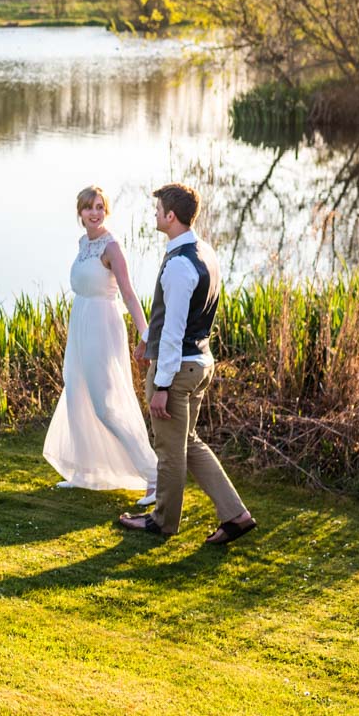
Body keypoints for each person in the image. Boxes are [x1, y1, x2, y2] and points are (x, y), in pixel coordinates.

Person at [119, 183, 257, 545]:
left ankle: (162, 521)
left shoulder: (180, 265)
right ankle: (236, 515)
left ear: (171, 216)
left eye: (158, 210)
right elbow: (183, 316)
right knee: (188, 442)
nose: (154, 215)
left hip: (178, 370)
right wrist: (148, 337)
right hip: (200, 362)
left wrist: (161, 386)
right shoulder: (203, 251)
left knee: (168, 450)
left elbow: (176, 329)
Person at [43, 186, 158, 504]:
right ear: (79, 213)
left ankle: (154, 475)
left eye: (99, 207)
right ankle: (86, 472)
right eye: (88, 208)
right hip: (80, 320)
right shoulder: (84, 243)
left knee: (106, 404)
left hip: (102, 325)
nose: (94, 213)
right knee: (75, 390)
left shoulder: (112, 247)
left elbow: (129, 293)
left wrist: (146, 334)